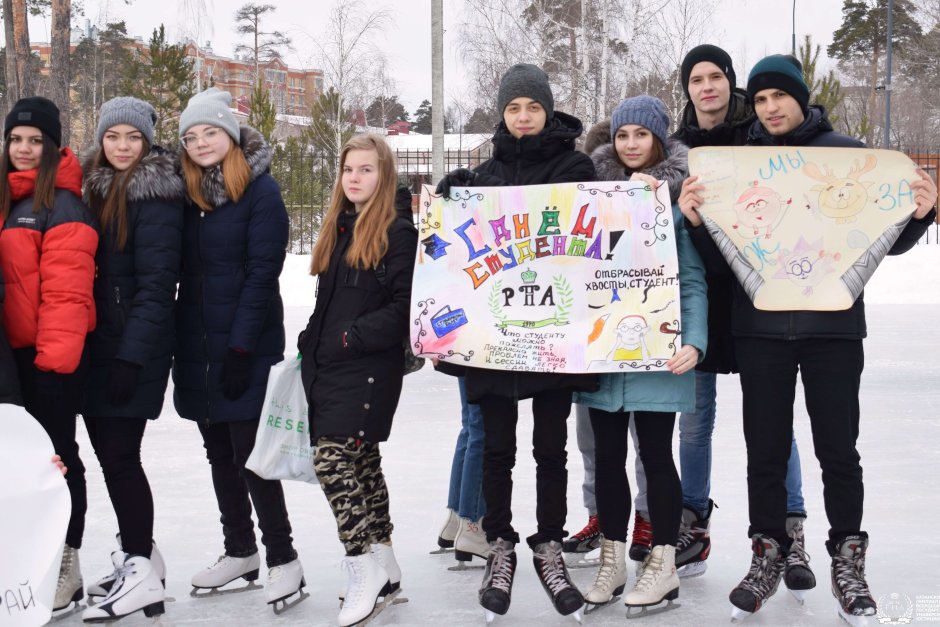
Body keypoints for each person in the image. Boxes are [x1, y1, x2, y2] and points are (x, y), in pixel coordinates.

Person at [679, 54, 938, 622]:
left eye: (780, 96)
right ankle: (768, 552)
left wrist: (919, 215)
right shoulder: (737, 166)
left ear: (800, 97)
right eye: (762, 98)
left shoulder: (847, 155)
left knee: (838, 452)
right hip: (760, 331)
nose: (770, 108)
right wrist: (698, 223)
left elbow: (884, 241)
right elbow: (723, 266)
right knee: (764, 452)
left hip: (833, 331)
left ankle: (849, 561)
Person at [435, 63, 597, 621]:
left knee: (550, 448)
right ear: (502, 114)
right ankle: (499, 545)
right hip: (498, 335)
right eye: (513, 109)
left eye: (532, 107)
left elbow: (605, 230)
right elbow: (452, 249)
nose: (523, 118)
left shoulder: (575, 166)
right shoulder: (483, 175)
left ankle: (548, 543)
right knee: (496, 447)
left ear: (547, 110)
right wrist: (449, 198)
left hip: (555, 332)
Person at [672, 44, 808, 579]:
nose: (707, 87)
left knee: (773, 422)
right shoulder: (676, 148)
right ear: (687, 88)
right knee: (695, 421)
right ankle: (693, 521)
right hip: (701, 298)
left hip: (758, 299)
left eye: (716, 77)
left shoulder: (761, 135)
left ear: (731, 82)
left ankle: (789, 525)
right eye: (696, 79)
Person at [172, 88, 305, 609]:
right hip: (198, 346)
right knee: (217, 454)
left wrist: (242, 348)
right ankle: (240, 549)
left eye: (209, 132)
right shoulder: (186, 195)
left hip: (243, 346)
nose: (201, 142)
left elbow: (260, 274)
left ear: (230, 135)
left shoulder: (261, 192)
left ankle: (284, 558)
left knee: (251, 457)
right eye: (191, 136)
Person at [575, 95, 707, 614]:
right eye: (623, 135)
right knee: (605, 457)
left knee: (656, 457)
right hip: (603, 353)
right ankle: (611, 558)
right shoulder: (592, 197)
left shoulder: (673, 203)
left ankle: (663, 562)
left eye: (641, 136)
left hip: (658, 353)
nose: (631, 145)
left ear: (658, 141)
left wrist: (694, 340)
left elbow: (692, 280)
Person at [298, 134, 417, 627]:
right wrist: (311, 338)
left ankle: (362, 566)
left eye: (366, 170)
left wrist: (350, 337)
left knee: (333, 461)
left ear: (383, 175)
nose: (355, 178)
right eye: (349, 169)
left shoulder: (397, 231)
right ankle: (385, 561)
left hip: (368, 367)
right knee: (362, 462)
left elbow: (403, 307)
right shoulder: (342, 225)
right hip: (330, 365)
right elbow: (333, 300)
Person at [79, 96, 183, 621]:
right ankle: (143, 557)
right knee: (110, 457)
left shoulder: (157, 196)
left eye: (133, 138)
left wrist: (131, 358)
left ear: (147, 143)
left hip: (131, 350)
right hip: (98, 347)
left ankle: (140, 565)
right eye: (114, 137)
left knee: (121, 458)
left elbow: (158, 286)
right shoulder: (96, 189)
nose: (122, 147)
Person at [0, 96, 98, 613]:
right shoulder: (7, 201)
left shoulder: (63, 205)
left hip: (48, 361)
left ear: (52, 146)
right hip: (9, 360)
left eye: (35, 141)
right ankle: (21, 563)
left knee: (58, 460)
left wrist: (52, 369)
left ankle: (67, 561)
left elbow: (66, 296)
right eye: (16, 139)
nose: (24, 149)